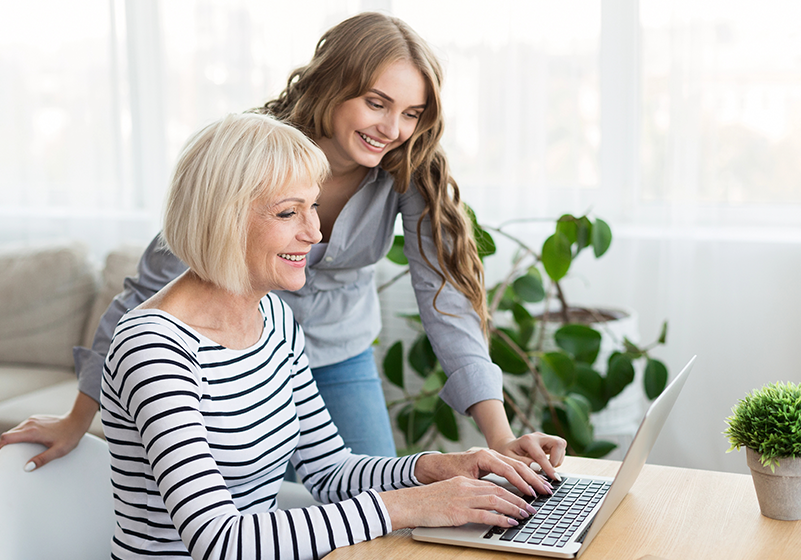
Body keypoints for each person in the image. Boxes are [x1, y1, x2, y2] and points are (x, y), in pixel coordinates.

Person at [0, 11, 565, 475]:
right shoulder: (252, 151)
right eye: (376, 103)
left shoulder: (408, 170)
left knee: (371, 497)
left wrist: (500, 436)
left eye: (411, 113)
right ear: (334, 85)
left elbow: (445, 300)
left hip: (342, 355)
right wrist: (77, 419)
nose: (393, 129)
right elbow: (145, 294)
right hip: (239, 360)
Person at [102, 112, 551, 559]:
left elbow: (329, 470)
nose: (315, 233)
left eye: (313, 207)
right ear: (223, 218)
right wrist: (411, 505)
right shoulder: (154, 347)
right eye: (288, 212)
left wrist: (437, 468)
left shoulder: (274, 319)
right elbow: (220, 539)